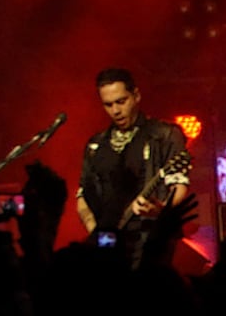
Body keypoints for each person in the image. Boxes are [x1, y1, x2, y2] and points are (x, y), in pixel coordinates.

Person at [74, 68, 191, 263]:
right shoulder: (96, 145)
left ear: (136, 95)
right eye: (108, 105)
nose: (116, 111)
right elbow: (83, 196)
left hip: (150, 241)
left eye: (121, 101)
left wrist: (160, 208)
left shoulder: (164, 135)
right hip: (108, 243)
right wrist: (96, 232)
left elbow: (178, 186)